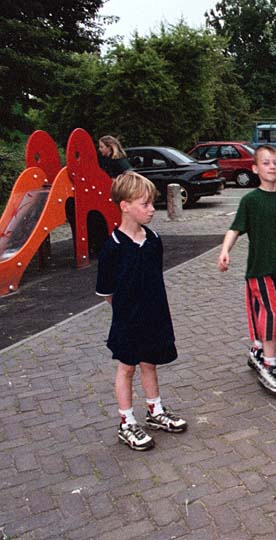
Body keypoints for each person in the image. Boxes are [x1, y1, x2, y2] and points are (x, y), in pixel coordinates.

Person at [95, 171, 188, 451]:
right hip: (127, 320)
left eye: (152, 204)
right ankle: (126, 422)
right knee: (127, 368)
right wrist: (126, 312)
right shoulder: (112, 248)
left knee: (150, 362)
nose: (151, 210)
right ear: (124, 206)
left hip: (154, 315)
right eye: (144, 204)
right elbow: (107, 292)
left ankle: (155, 411)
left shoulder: (154, 239)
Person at [217, 144, 276, 395]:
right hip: (260, 269)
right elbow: (234, 229)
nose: (272, 167)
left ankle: (257, 350)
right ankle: (269, 364)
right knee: (272, 314)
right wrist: (225, 251)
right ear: (255, 168)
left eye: (275, 163)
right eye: (266, 163)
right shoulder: (250, 201)